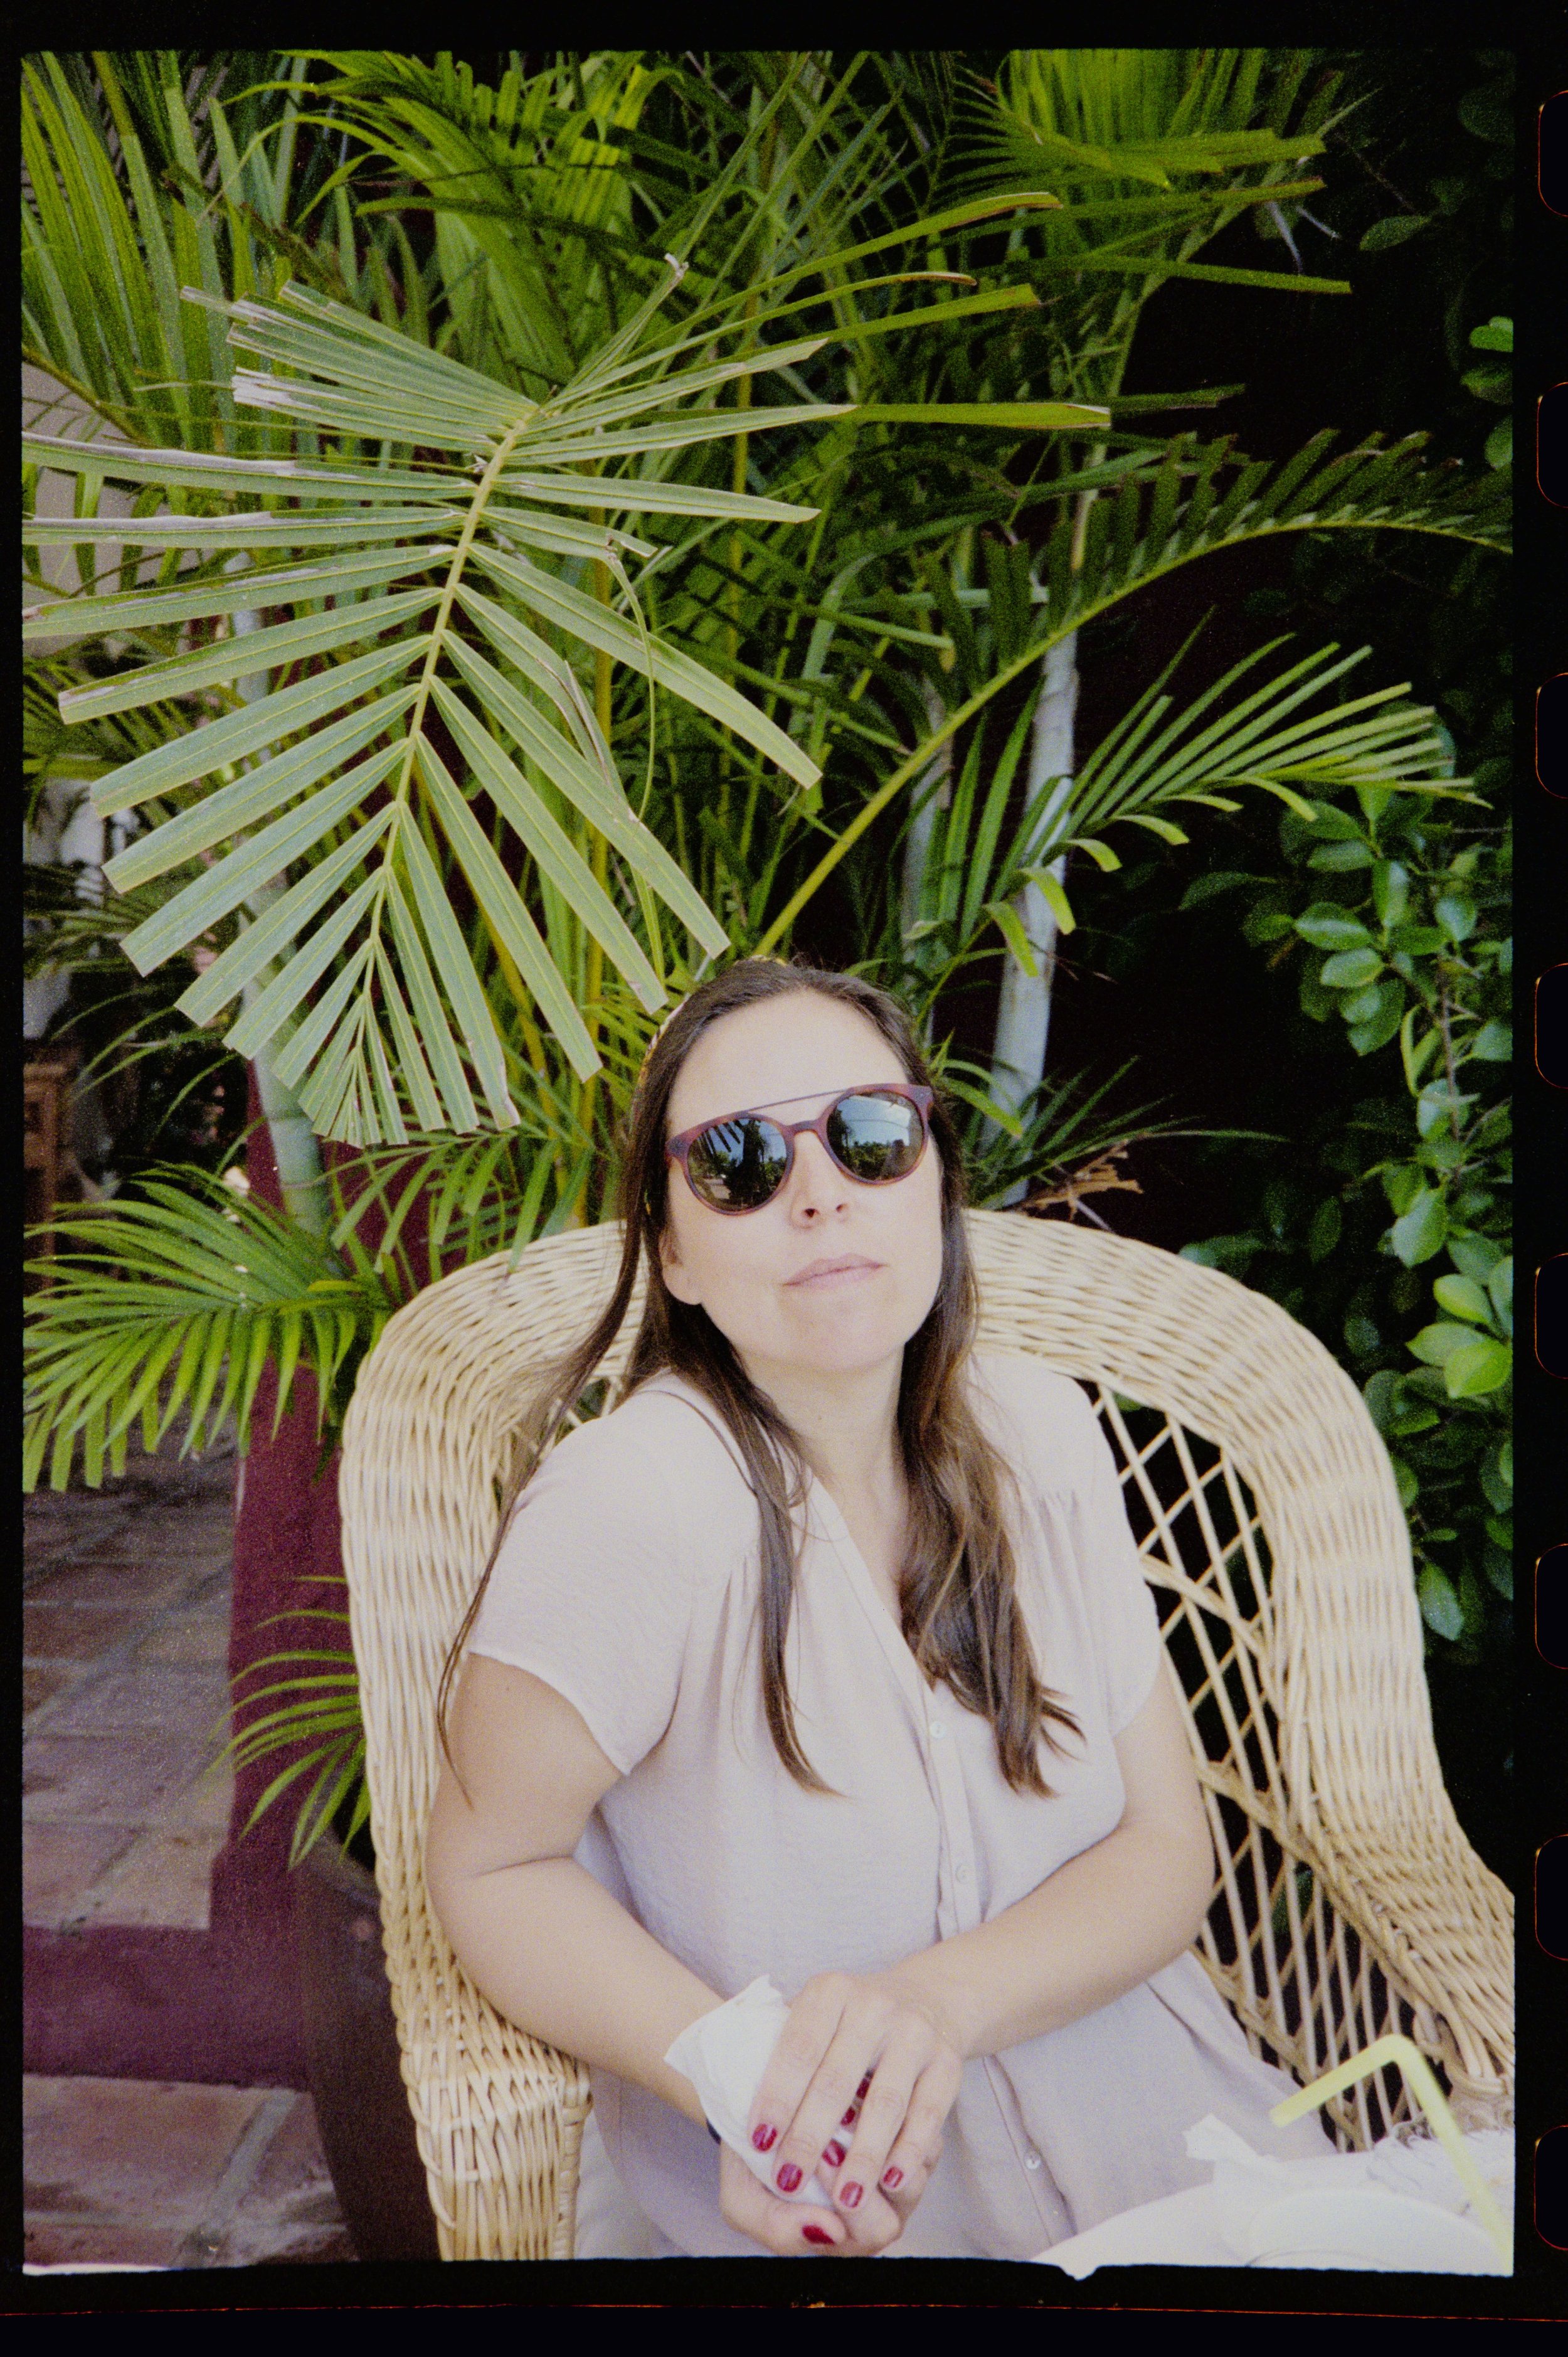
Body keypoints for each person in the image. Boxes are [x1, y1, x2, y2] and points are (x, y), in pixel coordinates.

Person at [423, 957, 1330, 2260]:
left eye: (868, 1135)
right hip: (840, 2214)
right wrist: (751, 2083)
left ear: (934, 1184)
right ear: (672, 1251)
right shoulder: (632, 1504)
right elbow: (495, 1866)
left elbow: (1164, 1846)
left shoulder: (1043, 1436)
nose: (819, 1193)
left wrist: (935, 2005)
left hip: (1183, 2161)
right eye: (739, 1160)